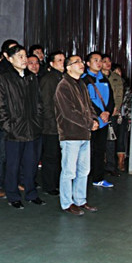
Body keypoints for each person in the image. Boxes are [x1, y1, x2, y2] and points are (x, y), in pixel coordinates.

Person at [0, 44, 45, 209]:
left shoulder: (31, 77)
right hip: (14, 131)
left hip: (32, 129)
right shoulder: (3, 78)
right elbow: (0, 107)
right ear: (9, 59)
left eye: (25, 56)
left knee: (31, 164)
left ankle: (31, 193)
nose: (24, 60)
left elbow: (39, 103)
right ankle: (13, 195)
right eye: (20, 56)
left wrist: (38, 122)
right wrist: (8, 127)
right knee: (12, 165)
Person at [54, 55, 99, 215]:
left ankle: (80, 199)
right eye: (77, 62)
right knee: (69, 171)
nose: (81, 64)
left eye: (81, 61)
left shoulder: (81, 84)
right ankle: (67, 202)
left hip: (84, 135)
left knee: (84, 170)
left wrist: (94, 119)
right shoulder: (63, 86)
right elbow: (69, 113)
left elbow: (89, 106)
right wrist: (89, 123)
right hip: (71, 135)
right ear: (68, 67)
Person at [0, 39, 18, 199]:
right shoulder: (0, 71)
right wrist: (4, 122)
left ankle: (12, 182)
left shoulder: (19, 69)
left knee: (15, 154)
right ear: (6, 55)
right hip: (4, 120)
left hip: (18, 120)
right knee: (2, 154)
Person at [81, 52, 115, 189]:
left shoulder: (104, 79)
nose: (99, 63)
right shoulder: (83, 79)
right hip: (91, 120)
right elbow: (86, 101)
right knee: (86, 150)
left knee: (100, 150)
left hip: (104, 121)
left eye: (100, 60)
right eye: (95, 60)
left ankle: (98, 178)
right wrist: (100, 113)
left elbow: (111, 99)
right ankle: (84, 177)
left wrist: (108, 112)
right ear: (88, 63)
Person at [39, 51, 65, 196]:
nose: (63, 62)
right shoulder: (49, 79)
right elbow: (46, 103)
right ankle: (49, 185)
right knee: (51, 156)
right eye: (59, 60)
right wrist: (53, 121)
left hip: (62, 125)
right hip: (51, 126)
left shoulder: (63, 78)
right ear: (51, 63)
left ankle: (57, 183)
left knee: (59, 156)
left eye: (64, 60)